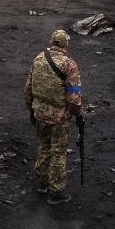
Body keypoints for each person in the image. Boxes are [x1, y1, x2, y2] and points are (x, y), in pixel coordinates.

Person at [24, 29, 82, 205]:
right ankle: (56, 191)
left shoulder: (39, 59)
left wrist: (31, 110)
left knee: (44, 146)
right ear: (66, 44)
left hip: (40, 114)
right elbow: (74, 96)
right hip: (59, 118)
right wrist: (77, 113)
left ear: (52, 42)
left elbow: (28, 88)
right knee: (58, 152)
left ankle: (42, 182)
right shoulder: (69, 65)